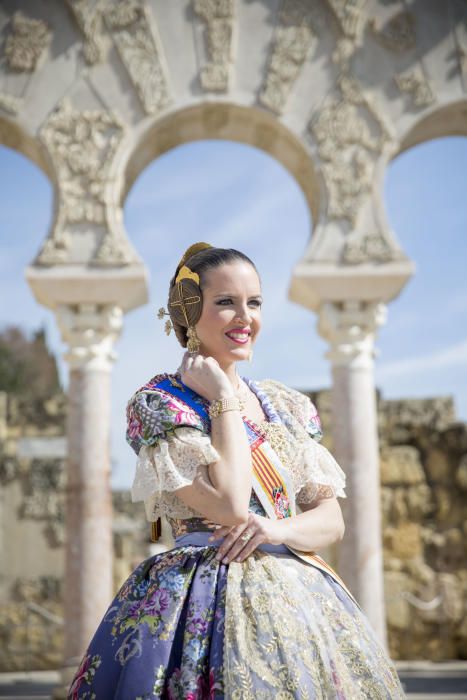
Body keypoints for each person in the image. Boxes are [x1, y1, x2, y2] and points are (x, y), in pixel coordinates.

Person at [68, 242, 406, 699]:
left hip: (301, 606)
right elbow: (228, 504)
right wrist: (223, 399)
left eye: (254, 302)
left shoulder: (286, 406)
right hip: (196, 605)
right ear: (188, 311)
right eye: (225, 302)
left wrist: (273, 528)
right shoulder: (161, 405)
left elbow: (331, 520)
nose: (245, 318)